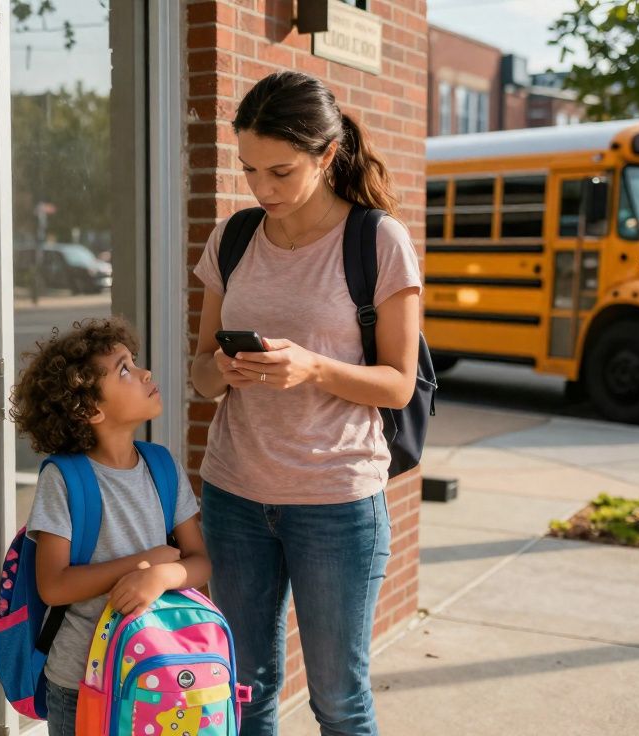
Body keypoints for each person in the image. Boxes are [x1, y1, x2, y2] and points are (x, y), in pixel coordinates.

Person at [188, 70, 422, 736]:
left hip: (337, 501)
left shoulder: (377, 242)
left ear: (326, 155)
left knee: (338, 700)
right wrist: (224, 369)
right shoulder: (233, 239)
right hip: (234, 495)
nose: (262, 190)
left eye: (281, 172)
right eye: (249, 170)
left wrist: (312, 367)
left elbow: (399, 384)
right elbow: (200, 376)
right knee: (242, 691)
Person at [12, 317, 211, 736]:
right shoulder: (64, 479)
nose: (144, 373)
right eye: (124, 369)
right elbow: (54, 586)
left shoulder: (162, 466)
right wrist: (143, 563)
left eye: (133, 362)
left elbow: (200, 561)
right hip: (83, 680)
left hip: (154, 669)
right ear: (91, 409)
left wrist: (163, 575)